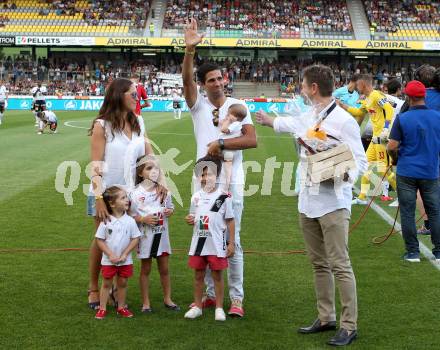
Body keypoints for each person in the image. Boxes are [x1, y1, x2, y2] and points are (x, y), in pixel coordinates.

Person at [256, 64, 367, 347]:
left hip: (333, 202)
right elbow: (290, 125)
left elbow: (361, 162)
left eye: (303, 85)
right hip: (307, 200)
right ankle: (325, 316)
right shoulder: (308, 115)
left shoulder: (343, 120)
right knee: (318, 263)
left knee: (340, 265)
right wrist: (268, 120)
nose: (301, 89)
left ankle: (349, 325)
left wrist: (340, 172)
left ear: (313, 88)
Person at [182, 18, 257, 317]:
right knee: (204, 236)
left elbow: (251, 140)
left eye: (218, 78)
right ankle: (211, 296)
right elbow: (186, 81)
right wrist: (189, 51)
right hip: (203, 184)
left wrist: (222, 145)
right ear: (203, 85)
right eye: (209, 80)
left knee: (231, 241)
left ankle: (236, 299)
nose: (215, 83)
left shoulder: (238, 106)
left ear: (224, 79)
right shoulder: (198, 105)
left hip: (230, 183)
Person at [87, 78, 157, 310]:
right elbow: (96, 164)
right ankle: (94, 288)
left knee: (126, 239)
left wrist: (159, 182)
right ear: (119, 95)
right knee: (102, 240)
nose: (137, 97)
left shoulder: (139, 122)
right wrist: (98, 198)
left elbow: (148, 156)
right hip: (105, 193)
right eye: (133, 94)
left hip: (130, 194)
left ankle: (116, 289)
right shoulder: (102, 125)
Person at [387, 80, 440, 263]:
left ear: (408, 98)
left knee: (408, 212)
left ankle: (412, 252)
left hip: (407, 170)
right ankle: (439, 251)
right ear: (424, 96)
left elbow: (392, 146)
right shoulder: (437, 116)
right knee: (434, 211)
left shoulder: (403, 118)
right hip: (430, 171)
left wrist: (395, 159)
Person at [184, 157, 235, 321]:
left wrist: (231, 243)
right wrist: (190, 219)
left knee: (217, 276)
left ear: (217, 176)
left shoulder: (224, 197)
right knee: (198, 275)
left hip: (216, 244)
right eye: (203, 175)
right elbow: (193, 217)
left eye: (210, 174)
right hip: (199, 243)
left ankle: (219, 308)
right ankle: (198, 306)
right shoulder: (195, 197)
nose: (206, 178)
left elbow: (230, 220)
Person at [129, 155, 180, 313]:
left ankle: (168, 299)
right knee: (145, 269)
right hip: (145, 238)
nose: (153, 171)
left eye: (156, 168)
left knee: (164, 269)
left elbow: (170, 208)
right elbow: (130, 216)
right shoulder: (135, 193)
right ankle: (146, 303)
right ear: (140, 173)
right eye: (149, 168)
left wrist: (169, 211)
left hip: (162, 236)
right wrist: (143, 218)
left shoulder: (164, 191)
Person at [338, 74, 396, 205]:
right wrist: (342, 105)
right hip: (374, 140)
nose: (357, 88)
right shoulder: (367, 99)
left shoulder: (376, 95)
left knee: (383, 170)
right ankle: (362, 197)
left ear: (363, 84)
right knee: (366, 167)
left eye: (358, 85)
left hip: (382, 139)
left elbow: (389, 108)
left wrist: (386, 128)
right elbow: (358, 112)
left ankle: (403, 197)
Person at [94, 186, 141, 319]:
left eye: (126, 197)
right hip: (109, 261)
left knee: (122, 283)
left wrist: (125, 254)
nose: (127, 200)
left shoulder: (130, 221)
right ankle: (102, 308)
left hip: (125, 261)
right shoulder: (106, 221)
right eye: (123, 198)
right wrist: (110, 255)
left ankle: (121, 307)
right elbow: (99, 240)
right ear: (112, 203)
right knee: (107, 283)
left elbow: (135, 238)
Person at [219, 104, 248, 191]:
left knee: (227, 169)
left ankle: (226, 187)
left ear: (236, 117)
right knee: (224, 167)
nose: (227, 115)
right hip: (226, 149)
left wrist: (227, 121)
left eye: (229, 114)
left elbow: (223, 129)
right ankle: (225, 185)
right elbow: (221, 124)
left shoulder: (236, 123)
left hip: (228, 150)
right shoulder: (235, 123)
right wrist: (226, 119)